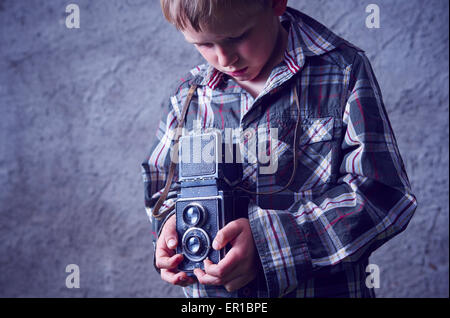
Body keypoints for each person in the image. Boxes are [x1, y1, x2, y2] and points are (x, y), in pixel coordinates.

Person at [141, 0, 418, 298]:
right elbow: (161, 185)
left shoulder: (343, 71)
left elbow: (381, 194)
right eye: (204, 44)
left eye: (237, 37)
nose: (224, 58)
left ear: (275, 3)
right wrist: (172, 228)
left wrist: (267, 247)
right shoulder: (188, 95)